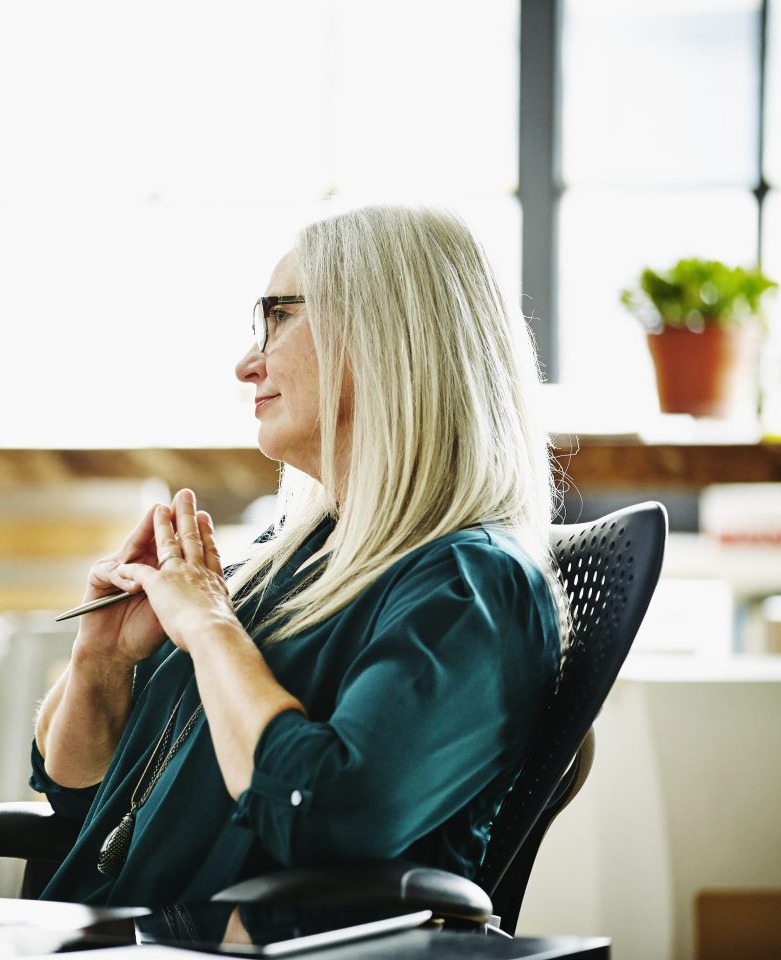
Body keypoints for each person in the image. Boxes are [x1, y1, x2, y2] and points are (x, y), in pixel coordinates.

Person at [30, 203, 565, 907]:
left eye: (278, 316)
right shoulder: (292, 559)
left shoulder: (470, 587)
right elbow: (81, 801)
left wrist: (213, 630)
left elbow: (323, 815)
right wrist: (101, 664)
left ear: (386, 335)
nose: (247, 363)